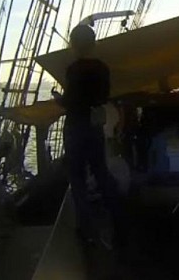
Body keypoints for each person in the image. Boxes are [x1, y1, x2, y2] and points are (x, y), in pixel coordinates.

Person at [52, 24, 122, 245]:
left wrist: (58, 99)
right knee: (100, 171)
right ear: (93, 43)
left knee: (77, 176)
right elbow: (104, 96)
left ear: (73, 45)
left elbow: (71, 101)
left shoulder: (74, 69)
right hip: (94, 126)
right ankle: (118, 217)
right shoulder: (103, 68)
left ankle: (86, 228)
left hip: (75, 126)